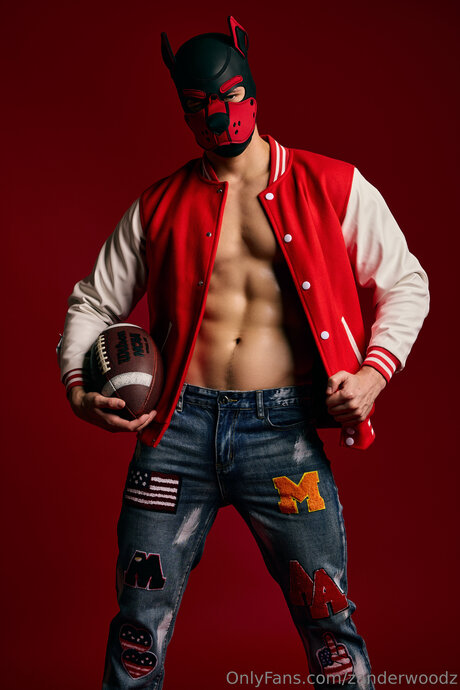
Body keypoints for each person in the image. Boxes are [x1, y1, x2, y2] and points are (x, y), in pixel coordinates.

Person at [58, 16, 429, 690]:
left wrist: (374, 373)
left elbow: (405, 281)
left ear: (252, 92)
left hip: (280, 432)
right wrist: (79, 388)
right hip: (175, 432)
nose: (217, 116)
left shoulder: (331, 184)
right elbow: (92, 301)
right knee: (139, 623)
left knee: (328, 619)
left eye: (229, 98)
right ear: (183, 110)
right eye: (199, 106)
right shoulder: (159, 205)